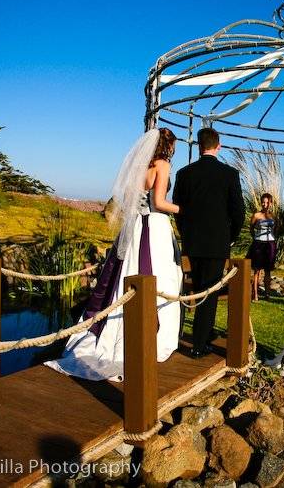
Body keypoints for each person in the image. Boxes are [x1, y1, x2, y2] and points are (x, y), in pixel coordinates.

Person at [45, 128, 183, 381]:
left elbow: (132, 199)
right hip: (155, 227)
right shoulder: (162, 165)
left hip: (134, 226)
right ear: (168, 145)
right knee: (159, 277)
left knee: (124, 275)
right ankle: (152, 336)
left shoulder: (139, 167)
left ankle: (112, 330)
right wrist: (183, 209)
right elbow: (160, 202)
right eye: (173, 145)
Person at [173, 127, 244, 358]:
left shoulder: (184, 174)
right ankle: (198, 345)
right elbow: (239, 212)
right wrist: (230, 237)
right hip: (217, 243)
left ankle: (200, 334)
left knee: (196, 289)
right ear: (218, 146)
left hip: (193, 241)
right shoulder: (229, 174)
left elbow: (178, 209)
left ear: (199, 146)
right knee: (209, 291)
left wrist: (186, 231)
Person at [247, 193, 277, 301]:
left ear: (271, 203)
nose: (265, 205)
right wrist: (255, 238)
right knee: (257, 270)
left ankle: (267, 293)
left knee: (268, 270)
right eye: (263, 202)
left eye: (267, 202)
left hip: (270, 244)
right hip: (259, 243)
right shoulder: (256, 215)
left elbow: (276, 228)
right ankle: (255, 294)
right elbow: (251, 228)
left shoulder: (273, 216)